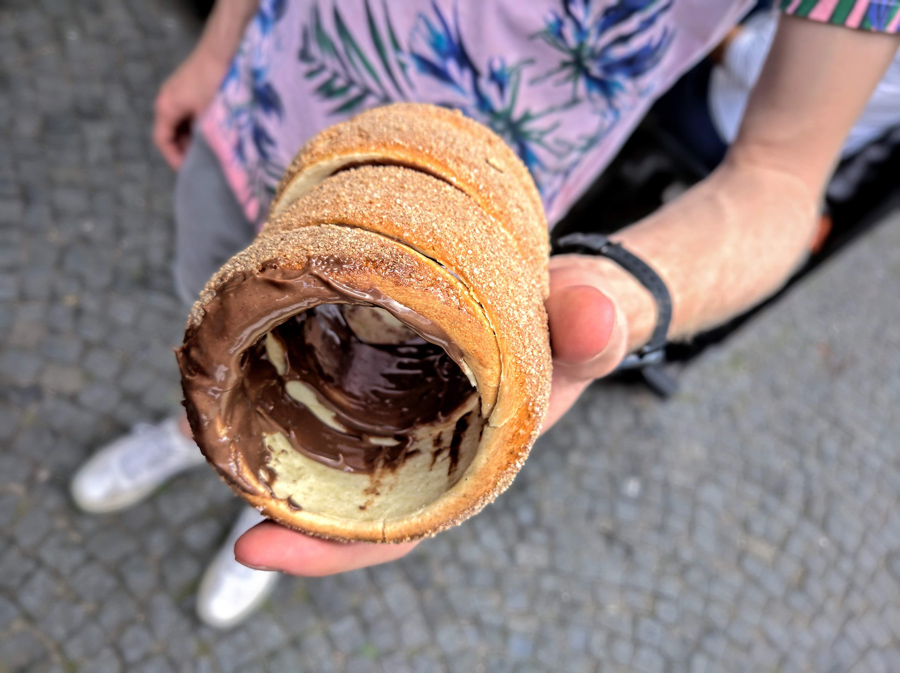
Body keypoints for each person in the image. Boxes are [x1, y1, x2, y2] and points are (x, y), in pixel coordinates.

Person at [70, 0, 900, 629]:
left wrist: (619, 290)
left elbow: (782, 177)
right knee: (218, 340)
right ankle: (192, 439)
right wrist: (221, 42)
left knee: (352, 427)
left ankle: (282, 507)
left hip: (477, 227)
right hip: (261, 113)